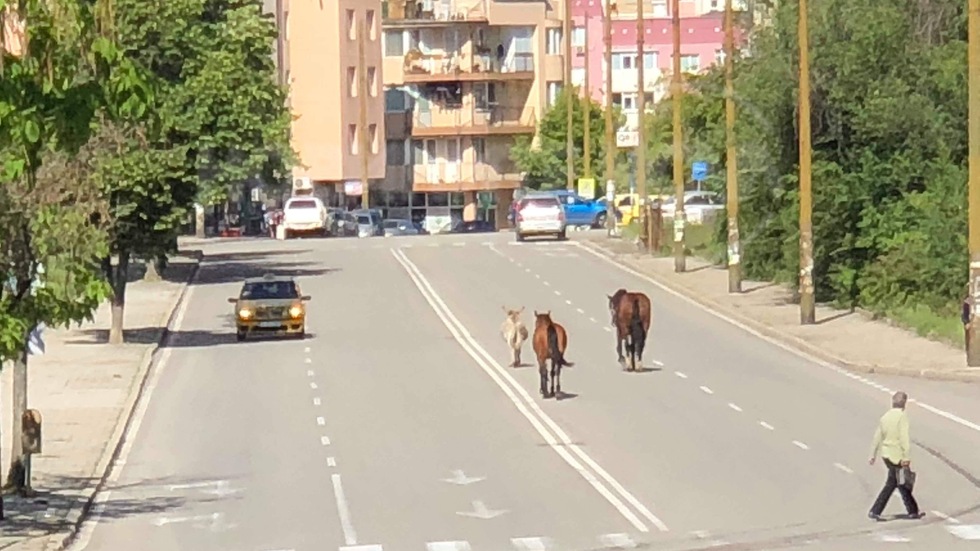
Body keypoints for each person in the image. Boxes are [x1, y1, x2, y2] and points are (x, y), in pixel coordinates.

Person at [868, 391, 924, 521]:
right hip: (897, 455)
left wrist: (873, 453)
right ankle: (876, 510)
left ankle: (913, 510)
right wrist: (906, 457)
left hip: (886, 455)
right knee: (896, 483)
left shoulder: (886, 416)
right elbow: (904, 438)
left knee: (899, 482)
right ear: (904, 403)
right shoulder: (902, 416)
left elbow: (878, 435)